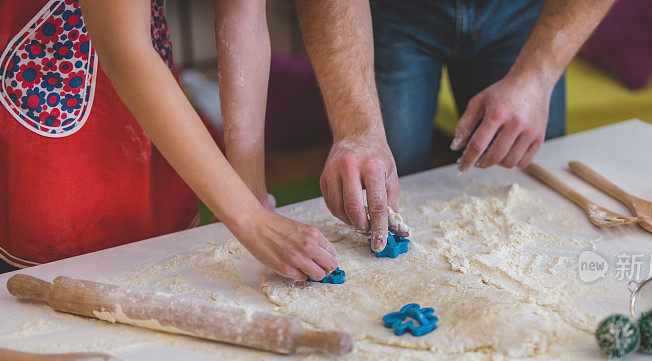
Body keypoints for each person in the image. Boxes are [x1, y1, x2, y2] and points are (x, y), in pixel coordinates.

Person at [0, 0, 336, 281]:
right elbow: (124, 48)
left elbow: (241, 16)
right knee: (63, 273)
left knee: (158, 247)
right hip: (44, 86)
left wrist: (250, 192)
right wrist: (251, 221)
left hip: (146, 86)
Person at [295, 0, 615, 250]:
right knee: (382, 183)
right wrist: (357, 129)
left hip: (526, 15)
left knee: (530, 185)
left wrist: (537, 76)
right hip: (391, 13)